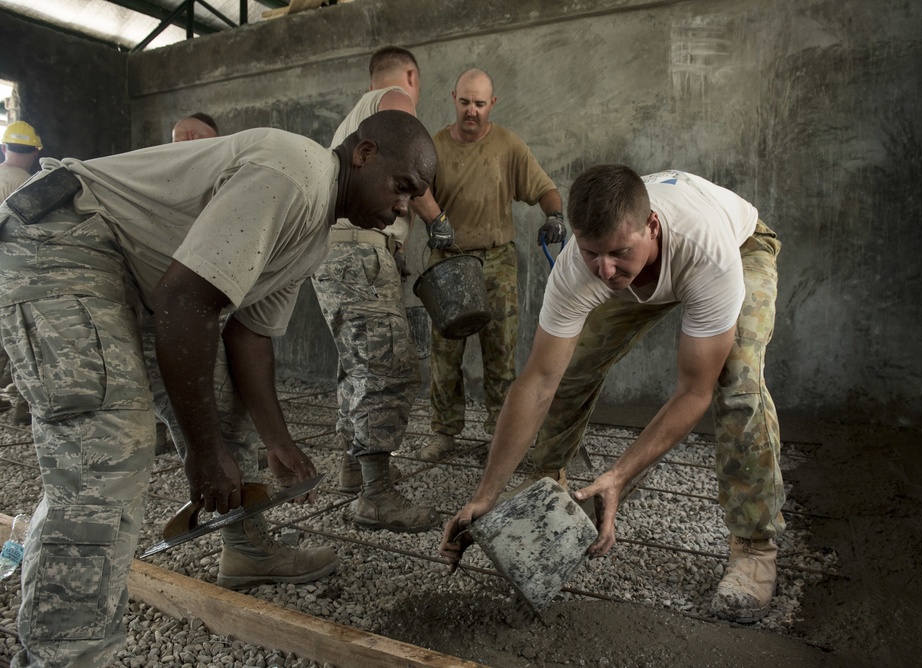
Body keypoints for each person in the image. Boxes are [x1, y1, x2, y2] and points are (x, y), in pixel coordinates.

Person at [0, 110, 436, 667]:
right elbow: (187, 303)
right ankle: (63, 656)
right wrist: (205, 456)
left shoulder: (312, 237)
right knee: (106, 450)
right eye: (402, 188)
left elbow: (249, 337)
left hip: (136, 275)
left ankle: (247, 547)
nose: (405, 208)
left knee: (226, 407)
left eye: (415, 197)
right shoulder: (295, 174)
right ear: (364, 153)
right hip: (64, 237)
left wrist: (279, 443)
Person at [440, 164, 786, 624]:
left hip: (741, 246)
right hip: (654, 261)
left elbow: (692, 392)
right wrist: (485, 494)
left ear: (652, 227)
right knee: (569, 364)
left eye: (619, 252)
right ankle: (549, 478)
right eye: (591, 253)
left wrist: (619, 475)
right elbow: (539, 380)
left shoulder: (708, 252)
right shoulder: (582, 267)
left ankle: (754, 544)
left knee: (737, 381)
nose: (604, 269)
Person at [313, 46, 453, 532]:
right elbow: (405, 161)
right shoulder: (394, 98)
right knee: (389, 364)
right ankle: (376, 495)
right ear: (411, 74)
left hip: (336, 251)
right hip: (362, 251)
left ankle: (355, 467)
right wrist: (437, 220)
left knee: (356, 360)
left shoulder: (356, 115)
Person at [415, 68, 565, 462]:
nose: (471, 111)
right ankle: (444, 433)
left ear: (492, 104)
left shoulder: (507, 146)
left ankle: (501, 435)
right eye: (464, 102)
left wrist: (554, 217)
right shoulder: (433, 149)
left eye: (479, 104)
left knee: (501, 354)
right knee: (445, 354)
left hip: (497, 261)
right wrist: (417, 234)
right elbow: (415, 193)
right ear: (453, 98)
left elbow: (545, 189)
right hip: (449, 262)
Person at [0, 121, 42, 422]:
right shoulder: (28, 183)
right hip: (12, 270)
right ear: (35, 152)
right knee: (20, 335)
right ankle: (21, 404)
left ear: (4, 147)